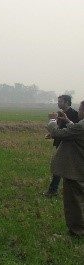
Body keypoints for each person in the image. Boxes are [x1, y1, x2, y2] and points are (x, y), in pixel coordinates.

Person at [45, 100, 84, 237]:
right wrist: (68, 121)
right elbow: (76, 130)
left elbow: (57, 133)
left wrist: (52, 121)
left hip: (75, 169)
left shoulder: (81, 126)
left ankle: (76, 232)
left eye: (80, 109)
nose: (78, 111)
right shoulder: (79, 126)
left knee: (73, 202)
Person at [44, 94, 81, 197]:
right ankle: (55, 189)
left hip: (68, 145)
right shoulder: (60, 113)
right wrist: (52, 135)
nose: (58, 103)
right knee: (60, 166)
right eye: (58, 101)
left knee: (59, 166)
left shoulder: (74, 114)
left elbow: (74, 131)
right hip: (60, 143)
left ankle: (53, 190)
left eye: (60, 101)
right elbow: (60, 129)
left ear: (67, 102)